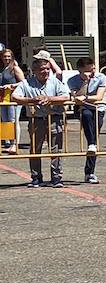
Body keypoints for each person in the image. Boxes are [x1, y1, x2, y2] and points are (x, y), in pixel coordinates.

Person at [11, 52, 69, 187]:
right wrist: (32, 100)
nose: (46, 72)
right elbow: (15, 97)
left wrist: (50, 99)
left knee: (56, 149)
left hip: (54, 118)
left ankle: (56, 178)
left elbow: (66, 96)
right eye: (42, 69)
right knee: (35, 149)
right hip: (36, 120)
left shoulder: (55, 82)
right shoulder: (26, 83)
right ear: (35, 70)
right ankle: (36, 177)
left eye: (48, 69)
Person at [67, 57, 106, 184]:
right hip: (83, 109)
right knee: (85, 114)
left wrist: (85, 98)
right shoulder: (72, 80)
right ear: (80, 70)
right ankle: (90, 169)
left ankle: (90, 172)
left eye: (93, 69)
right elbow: (76, 98)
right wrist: (85, 82)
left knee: (94, 141)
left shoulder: (101, 77)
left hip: (98, 109)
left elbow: (99, 97)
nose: (92, 72)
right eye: (88, 70)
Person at [1, 47, 25, 155]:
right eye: (5, 56)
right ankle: (10, 143)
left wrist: (11, 86)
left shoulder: (15, 68)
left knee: (13, 120)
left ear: (12, 57)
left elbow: (23, 82)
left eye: (8, 56)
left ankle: (15, 144)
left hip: (13, 98)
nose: (6, 58)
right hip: (3, 98)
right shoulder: (2, 69)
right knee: (6, 121)